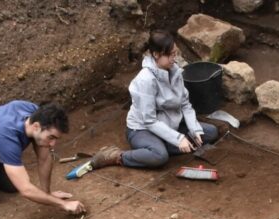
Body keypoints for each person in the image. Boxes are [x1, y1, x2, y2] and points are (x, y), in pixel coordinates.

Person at [89, 31, 220, 170]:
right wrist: (178, 139)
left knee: (210, 132)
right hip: (143, 129)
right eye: (170, 55)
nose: (174, 59)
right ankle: (116, 156)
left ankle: (163, 144)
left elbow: (185, 104)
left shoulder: (175, 72)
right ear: (156, 54)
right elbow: (149, 121)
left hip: (170, 125)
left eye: (175, 53)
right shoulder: (145, 80)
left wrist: (194, 128)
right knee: (159, 156)